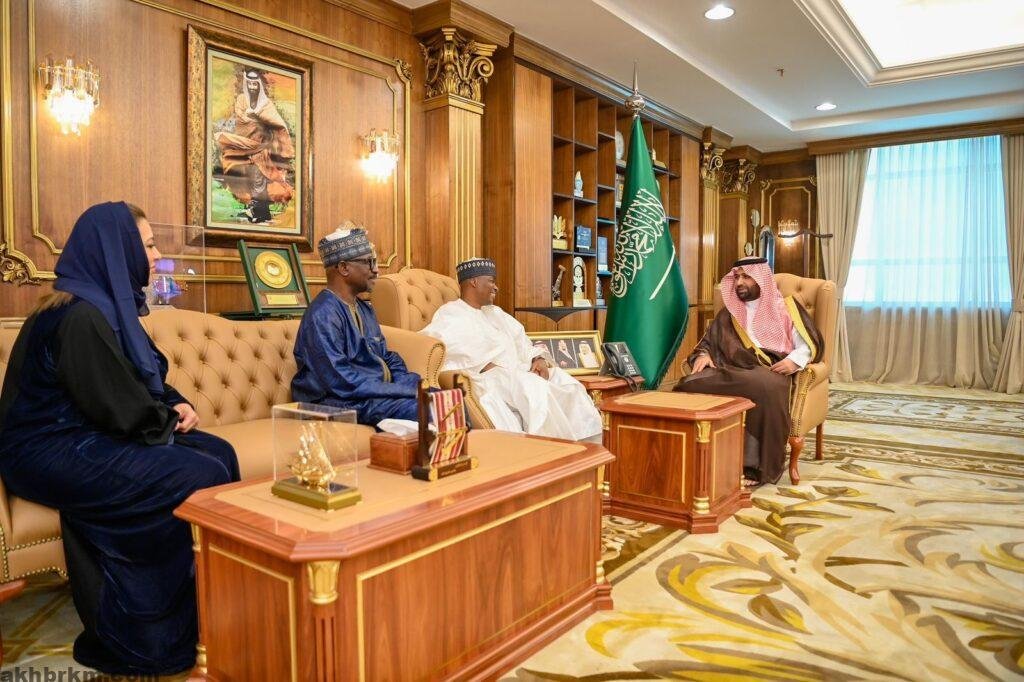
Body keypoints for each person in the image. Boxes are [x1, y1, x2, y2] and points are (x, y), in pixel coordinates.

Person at [0, 202, 240, 675]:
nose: (156, 255)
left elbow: (139, 379)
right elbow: (117, 404)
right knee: (197, 473)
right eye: (147, 245)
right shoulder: (78, 316)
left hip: (87, 431)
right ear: (118, 249)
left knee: (220, 452)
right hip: (44, 450)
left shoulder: (106, 306)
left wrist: (175, 404)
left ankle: (208, 604)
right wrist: (164, 418)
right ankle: (148, 633)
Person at [674, 257, 823, 487]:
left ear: (761, 278)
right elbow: (708, 342)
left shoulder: (786, 308)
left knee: (762, 386)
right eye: (736, 277)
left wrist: (794, 362)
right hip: (732, 370)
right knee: (688, 384)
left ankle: (753, 467)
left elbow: (808, 344)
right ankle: (691, 455)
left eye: (746, 277)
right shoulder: (729, 313)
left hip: (770, 371)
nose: (739, 283)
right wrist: (703, 355)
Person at [422, 258, 603, 441]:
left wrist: (537, 359)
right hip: (490, 377)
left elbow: (522, 341)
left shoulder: (496, 313)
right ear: (474, 282)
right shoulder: (451, 313)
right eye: (491, 281)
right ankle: (553, 448)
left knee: (568, 383)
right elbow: (438, 346)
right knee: (534, 390)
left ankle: (589, 446)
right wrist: (487, 365)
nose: (496, 287)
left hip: (520, 371)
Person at [291, 228, 421, 425]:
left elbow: (385, 356)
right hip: (334, 403)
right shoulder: (322, 315)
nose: (376, 270)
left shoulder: (364, 308)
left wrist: (408, 383)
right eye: (369, 262)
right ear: (344, 267)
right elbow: (340, 380)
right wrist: (402, 390)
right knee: (425, 409)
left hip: (369, 394)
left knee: (444, 399)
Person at [213, 68, 295, 224]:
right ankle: (258, 211)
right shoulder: (242, 99)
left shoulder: (266, 104)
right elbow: (242, 119)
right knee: (248, 179)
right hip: (244, 146)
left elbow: (277, 123)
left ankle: (261, 213)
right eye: (249, 83)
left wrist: (258, 117)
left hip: (260, 148)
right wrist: (254, 119)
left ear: (259, 85)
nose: (252, 87)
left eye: (254, 84)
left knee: (259, 178)